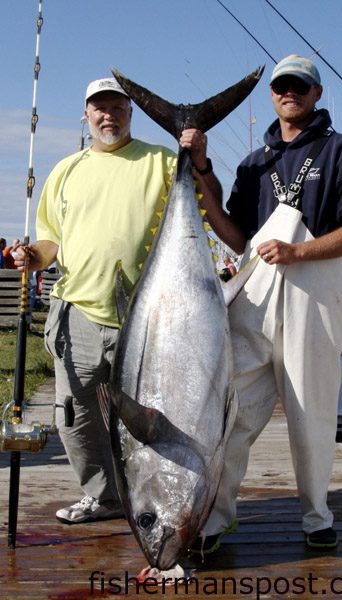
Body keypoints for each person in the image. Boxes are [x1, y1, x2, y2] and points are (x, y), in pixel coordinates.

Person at [192, 54, 342, 552]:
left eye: (299, 86)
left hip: (310, 300)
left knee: (313, 415)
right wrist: (202, 176)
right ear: (271, 95)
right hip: (252, 300)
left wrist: (299, 251)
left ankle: (317, 515)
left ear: (316, 94)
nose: (289, 93)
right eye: (281, 87)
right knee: (229, 414)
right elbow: (237, 237)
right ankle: (214, 518)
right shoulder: (255, 163)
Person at [15, 76, 221, 525]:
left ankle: (165, 499)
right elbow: (51, 240)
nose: (108, 115)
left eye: (118, 107)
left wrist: (197, 161)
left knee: (160, 416)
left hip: (149, 319)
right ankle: (104, 497)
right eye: (99, 108)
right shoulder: (66, 171)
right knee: (76, 417)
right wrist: (33, 256)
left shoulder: (164, 161)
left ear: (131, 113)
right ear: (87, 115)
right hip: (79, 314)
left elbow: (210, 201)